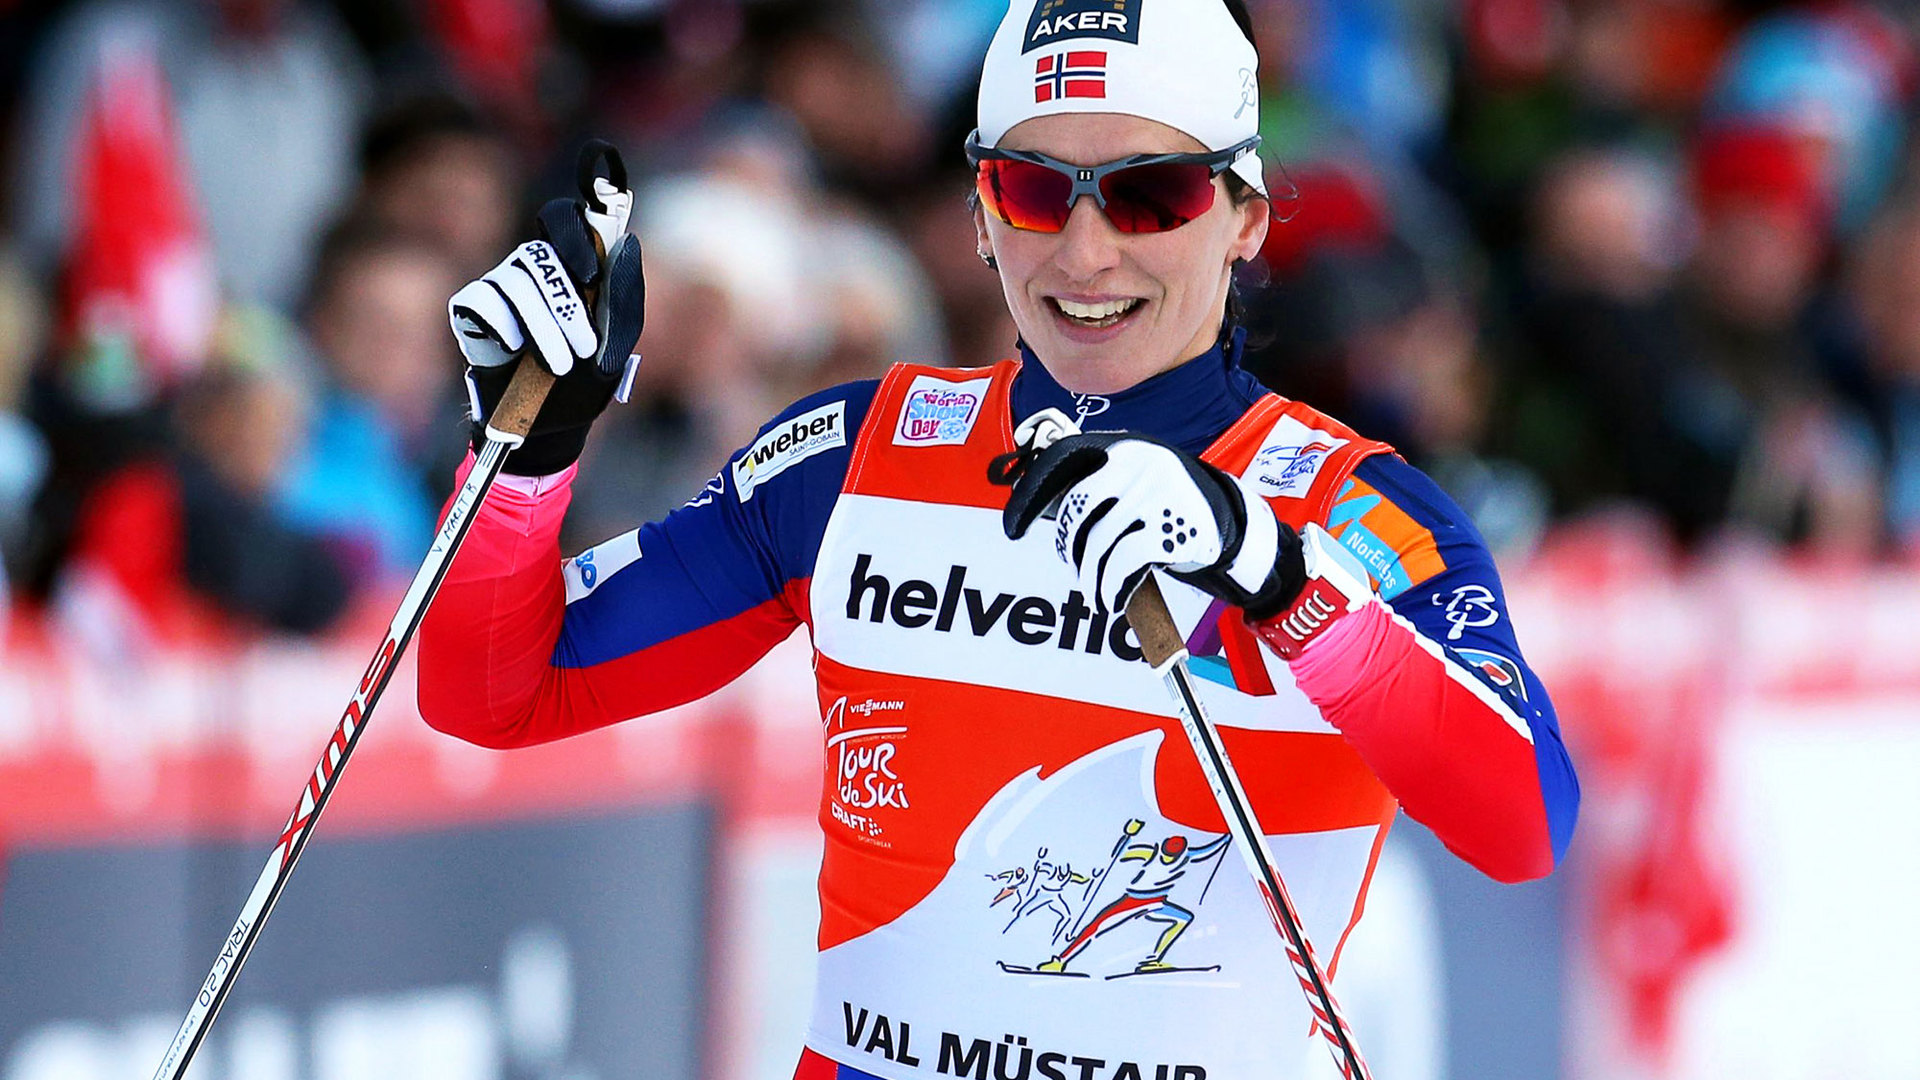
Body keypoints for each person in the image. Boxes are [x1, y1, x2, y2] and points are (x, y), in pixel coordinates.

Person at [418, 1, 1579, 1076]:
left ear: (1245, 219)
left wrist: (1273, 574)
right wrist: (525, 455)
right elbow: (494, 693)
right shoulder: (856, 458)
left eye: (1150, 195)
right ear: (980, 214)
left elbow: (1524, 823)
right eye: (1034, 191)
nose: (1085, 253)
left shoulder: (1350, 511)